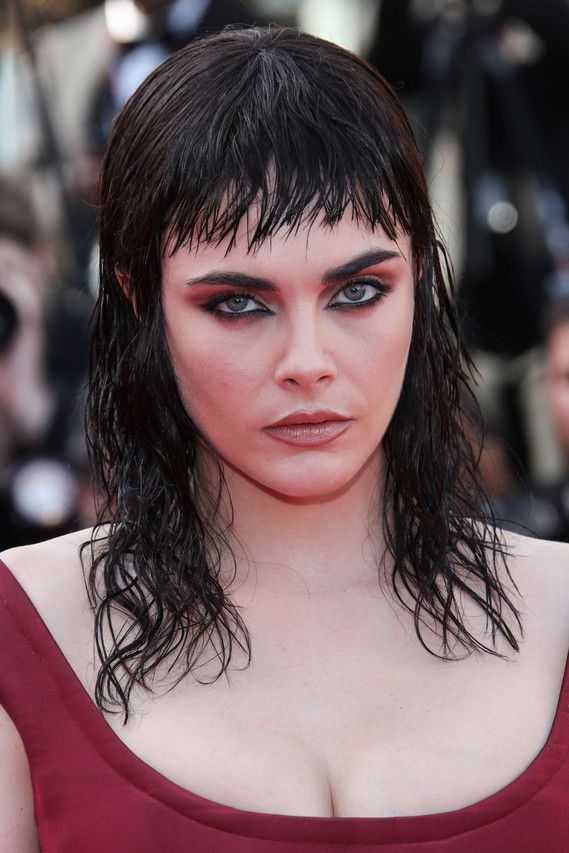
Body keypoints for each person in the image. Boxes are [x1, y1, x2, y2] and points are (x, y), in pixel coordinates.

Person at [1, 26, 568, 852]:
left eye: (357, 291)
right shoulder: (22, 629)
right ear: (140, 302)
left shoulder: (559, 607)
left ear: (419, 280)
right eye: (237, 302)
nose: (307, 362)